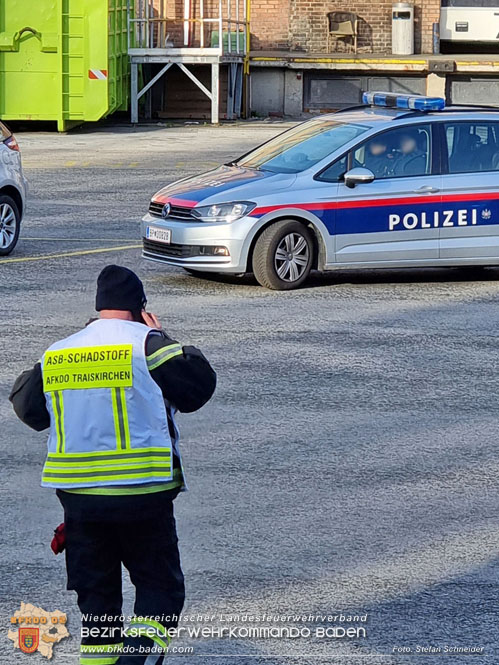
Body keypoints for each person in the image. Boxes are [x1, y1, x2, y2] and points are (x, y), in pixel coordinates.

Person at [9, 265, 217, 665]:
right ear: (140, 308)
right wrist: (163, 336)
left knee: (99, 608)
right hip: (144, 494)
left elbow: (29, 409)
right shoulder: (148, 344)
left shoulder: (59, 352)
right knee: (159, 596)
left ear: (99, 309)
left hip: (80, 501)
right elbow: (197, 387)